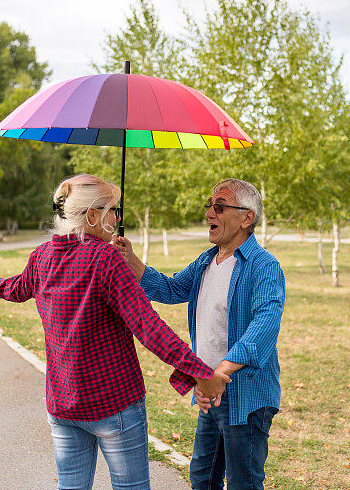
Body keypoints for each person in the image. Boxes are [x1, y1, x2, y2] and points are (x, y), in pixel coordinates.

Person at [0, 174, 229, 490]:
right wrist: (199, 372)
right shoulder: (105, 259)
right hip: (113, 403)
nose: (117, 217)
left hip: (63, 402)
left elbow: (16, 287)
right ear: (93, 216)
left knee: (71, 486)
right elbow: (147, 325)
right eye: (114, 209)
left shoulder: (41, 256)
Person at [113, 178, 285, 490]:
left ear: (247, 218)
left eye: (219, 207)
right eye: (209, 205)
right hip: (209, 388)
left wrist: (220, 373)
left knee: (243, 483)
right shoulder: (207, 261)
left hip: (243, 393)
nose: (209, 213)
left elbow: (265, 326)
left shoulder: (264, 266)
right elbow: (170, 288)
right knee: (202, 479)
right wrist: (131, 260)